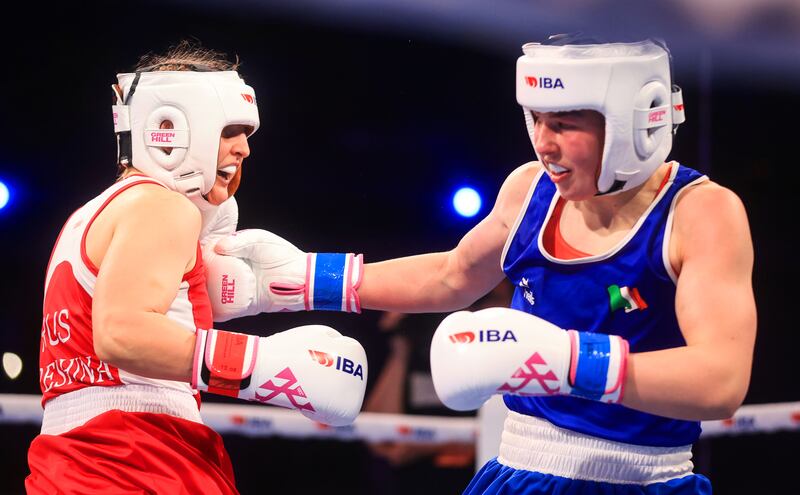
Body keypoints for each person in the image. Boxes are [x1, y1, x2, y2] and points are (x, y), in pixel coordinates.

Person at [203, 35, 756, 493]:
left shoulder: (702, 213)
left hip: (645, 480)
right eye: (535, 119)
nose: (544, 143)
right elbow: (451, 276)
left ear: (636, 121)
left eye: (563, 124)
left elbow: (720, 381)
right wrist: (298, 281)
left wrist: (564, 359)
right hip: (517, 473)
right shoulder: (530, 190)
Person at [26, 41, 367, 494]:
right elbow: (121, 333)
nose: (244, 149)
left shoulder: (91, 215)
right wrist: (263, 366)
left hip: (81, 458)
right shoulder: (162, 208)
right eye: (230, 131)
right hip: (135, 459)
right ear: (171, 125)